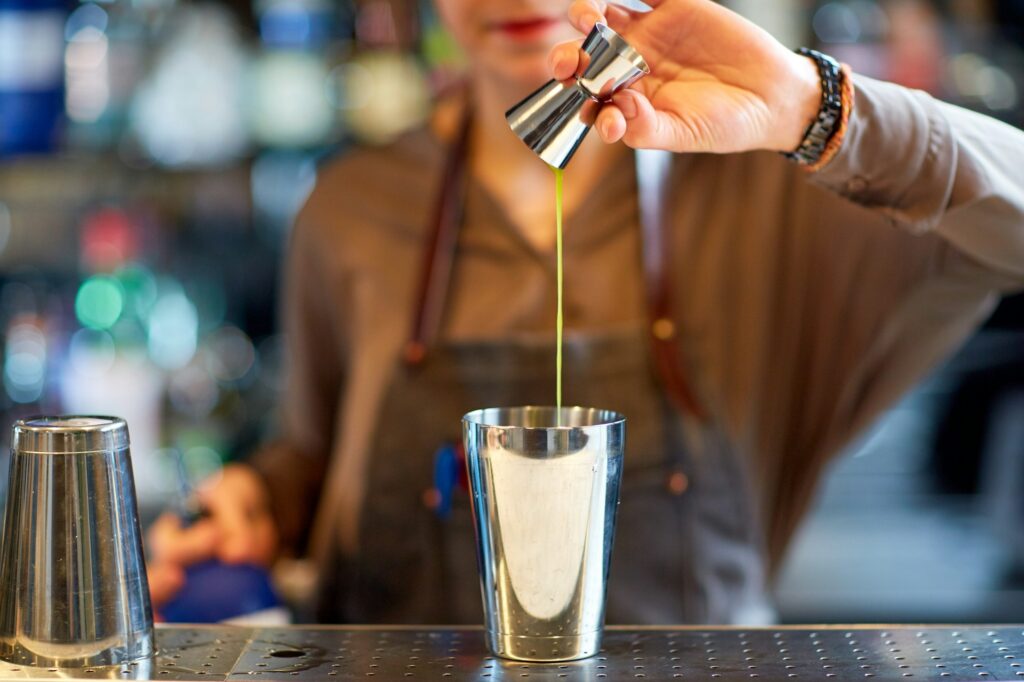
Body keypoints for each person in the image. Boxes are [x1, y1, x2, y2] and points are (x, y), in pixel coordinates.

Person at [148, 0, 1024, 624]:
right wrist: (262, 500)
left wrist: (812, 107)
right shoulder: (350, 206)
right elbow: (318, 452)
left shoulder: (780, 191)